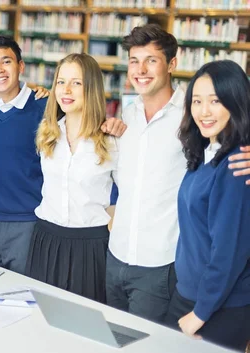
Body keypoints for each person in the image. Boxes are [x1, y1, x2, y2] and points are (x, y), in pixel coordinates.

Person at [105, 24, 250, 323]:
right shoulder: (127, 114)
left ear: (172, 64)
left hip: (161, 265)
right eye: (134, 61)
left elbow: (234, 127)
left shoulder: (194, 115)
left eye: (151, 60)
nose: (141, 70)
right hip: (115, 255)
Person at [0, 36, 126, 275]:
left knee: (25, 292)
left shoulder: (46, 107)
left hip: (31, 221)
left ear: (21, 66)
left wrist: (110, 124)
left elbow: (82, 117)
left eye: (6, 61)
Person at [164, 60, 250, 351]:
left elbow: (228, 251)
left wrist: (199, 314)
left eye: (215, 101)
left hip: (217, 307)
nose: (204, 111)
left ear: (235, 102)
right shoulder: (204, 152)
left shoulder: (236, 166)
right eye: (197, 101)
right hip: (191, 294)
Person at [25, 53, 118, 303]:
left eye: (76, 82)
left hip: (89, 246)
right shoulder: (48, 132)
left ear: (92, 87)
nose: (66, 90)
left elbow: (130, 194)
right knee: (41, 320)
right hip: (46, 239)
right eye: (61, 81)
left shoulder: (110, 140)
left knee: (85, 326)